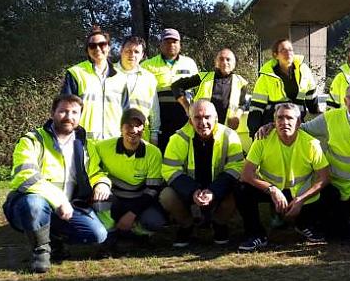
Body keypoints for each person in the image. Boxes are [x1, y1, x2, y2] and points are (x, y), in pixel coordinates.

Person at [256, 84, 350, 243]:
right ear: (344, 100)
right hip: (337, 182)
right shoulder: (331, 117)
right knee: (340, 235)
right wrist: (274, 125)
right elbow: (301, 128)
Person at [3, 95, 107, 273]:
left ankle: (55, 239)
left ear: (80, 116)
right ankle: (41, 251)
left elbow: (95, 172)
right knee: (34, 204)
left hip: (68, 207)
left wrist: (102, 183)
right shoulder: (32, 140)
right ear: (52, 113)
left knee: (98, 235)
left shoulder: (84, 144)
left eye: (75, 112)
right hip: (29, 204)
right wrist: (59, 200)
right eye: (63, 111)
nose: (69, 116)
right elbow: (26, 176)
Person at [237, 103, 330, 251]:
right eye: (280, 118)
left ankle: (305, 224)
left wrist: (301, 200)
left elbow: (324, 178)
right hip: (271, 190)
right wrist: (272, 189)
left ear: (299, 123)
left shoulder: (311, 143)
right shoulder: (262, 139)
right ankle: (256, 235)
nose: (284, 122)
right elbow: (246, 174)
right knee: (242, 188)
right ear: (274, 122)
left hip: (300, 194)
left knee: (330, 191)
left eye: (289, 118)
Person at [160, 100, 244, 248]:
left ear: (216, 118)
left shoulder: (230, 136)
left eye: (207, 117)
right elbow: (169, 170)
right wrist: (192, 191)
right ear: (190, 121)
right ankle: (186, 225)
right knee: (166, 195)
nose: (203, 122)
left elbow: (237, 167)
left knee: (239, 189)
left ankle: (219, 224)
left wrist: (214, 191)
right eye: (197, 118)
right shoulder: (177, 139)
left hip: (219, 191)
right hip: (190, 193)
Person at [88, 108, 166, 245]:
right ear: (121, 128)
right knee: (99, 197)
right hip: (114, 200)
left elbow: (152, 189)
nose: (134, 130)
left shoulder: (153, 153)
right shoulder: (102, 147)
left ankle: (135, 233)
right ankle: (109, 235)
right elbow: (92, 168)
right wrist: (100, 183)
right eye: (129, 125)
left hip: (139, 201)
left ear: (144, 128)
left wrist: (132, 214)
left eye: (138, 126)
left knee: (155, 221)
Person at [140, 28, 199, 151]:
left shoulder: (190, 63)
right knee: (162, 151)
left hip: (184, 115)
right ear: (160, 44)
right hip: (160, 118)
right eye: (167, 41)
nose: (171, 45)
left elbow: (197, 91)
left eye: (174, 41)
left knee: (184, 150)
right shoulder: (147, 65)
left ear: (180, 45)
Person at [62, 26, 124, 140]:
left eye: (102, 44)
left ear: (109, 47)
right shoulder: (76, 73)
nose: (97, 48)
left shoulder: (121, 77)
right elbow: (65, 110)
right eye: (92, 46)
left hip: (113, 142)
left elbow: (126, 110)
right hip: (83, 142)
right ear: (87, 50)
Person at [248, 39, 319, 137]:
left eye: (290, 50)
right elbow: (256, 107)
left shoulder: (304, 70)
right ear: (275, 55)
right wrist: (254, 132)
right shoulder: (266, 76)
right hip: (271, 128)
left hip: (297, 125)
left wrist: (316, 111)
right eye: (283, 50)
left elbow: (311, 96)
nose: (288, 53)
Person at [171, 48, 249, 131]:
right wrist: (187, 108)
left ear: (234, 64)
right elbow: (176, 86)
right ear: (216, 62)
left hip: (225, 132)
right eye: (221, 59)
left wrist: (237, 116)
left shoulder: (241, 82)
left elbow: (243, 104)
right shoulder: (203, 77)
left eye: (228, 59)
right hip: (201, 130)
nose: (224, 62)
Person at [115, 36, 161, 144]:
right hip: (113, 134)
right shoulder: (108, 74)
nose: (132, 55)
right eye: (128, 51)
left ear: (142, 55)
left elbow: (154, 109)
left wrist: (154, 134)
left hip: (140, 136)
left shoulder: (149, 78)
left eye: (136, 52)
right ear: (121, 51)